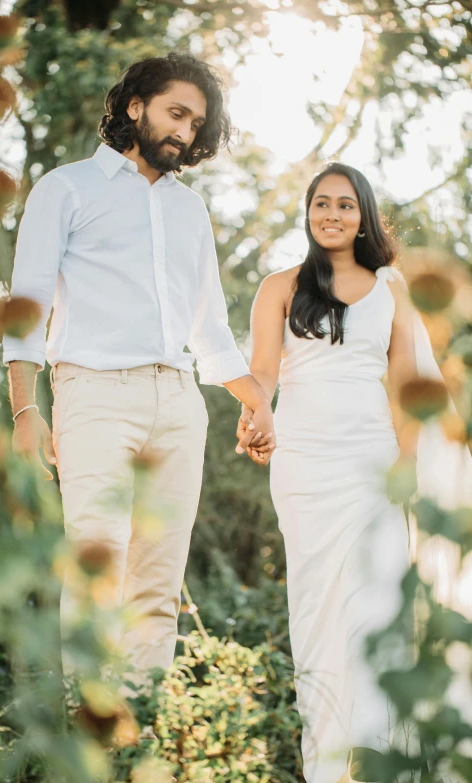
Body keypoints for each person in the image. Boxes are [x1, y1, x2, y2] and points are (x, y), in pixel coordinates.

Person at [2, 52, 275, 678]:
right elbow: (26, 309)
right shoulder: (66, 188)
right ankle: (91, 745)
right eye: (175, 113)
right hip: (93, 397)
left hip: (179, 404)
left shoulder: (191, 211)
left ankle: (140, 744)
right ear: (135, 106)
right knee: (97, 576)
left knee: (157, 589)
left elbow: (207, 331)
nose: (184, 132)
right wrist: (25, 410)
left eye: (196, 123)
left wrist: (255, 400)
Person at [238, 162, 420, 782]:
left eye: (346, 204)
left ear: (364, 215)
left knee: (377, 603)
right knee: (317, 611)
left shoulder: (391, 290)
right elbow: (263, 371)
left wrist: (410, 466)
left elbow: (408, 390)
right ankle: (327, 763)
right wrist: (255, 410)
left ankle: (375, 756)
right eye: (322, 203)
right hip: (305, 463)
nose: (332, 214)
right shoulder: (280, 287)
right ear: (308, 212)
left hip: (372, 460)